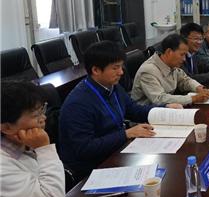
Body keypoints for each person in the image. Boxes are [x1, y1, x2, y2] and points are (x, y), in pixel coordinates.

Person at [59, 41, 183, 181]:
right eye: (115, 68)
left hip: (116, 151)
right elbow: (85, 148)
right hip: (92, 169)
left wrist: (165, 108)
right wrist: (126, 134)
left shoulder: (112, 86)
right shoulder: (78, 103)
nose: (121, 72)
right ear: (96, 70)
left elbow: (133, 110)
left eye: (121, 66)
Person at [1, 81, 65, 197]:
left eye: (42, 109)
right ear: (7, 128)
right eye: (36, 115)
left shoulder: (21, 143)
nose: (44, 118)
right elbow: (53, 196)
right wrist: (44, 149)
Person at [131, 34, 209, 105]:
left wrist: (199, 88)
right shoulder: (148, 70)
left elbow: (185, 80)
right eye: (182, 54)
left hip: (166, 109)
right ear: (169, 52)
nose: (184, 59)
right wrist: (193, 98)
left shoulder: (172, 64)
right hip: (147, 115)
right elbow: (159, 99)